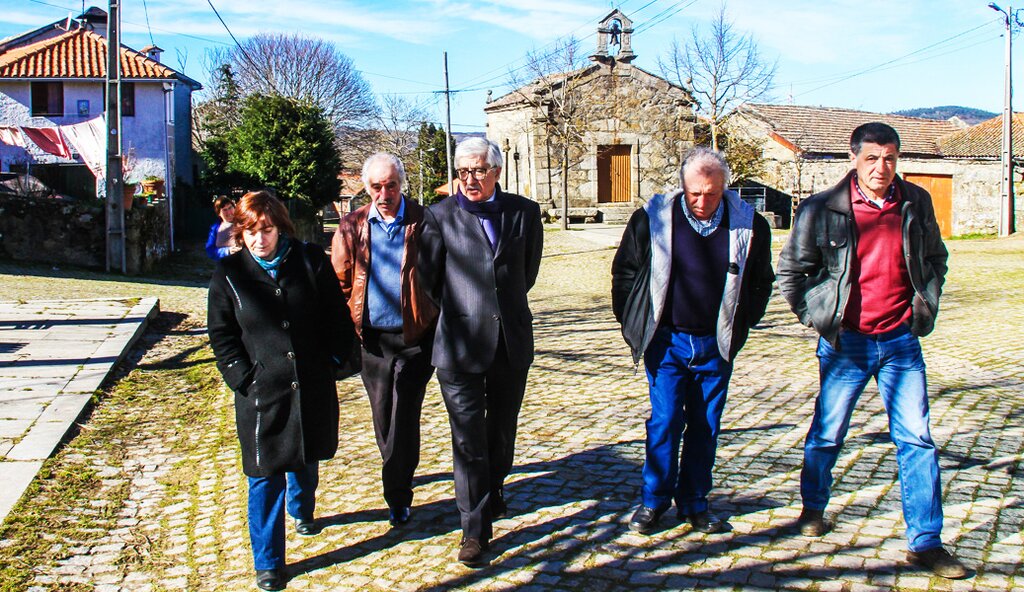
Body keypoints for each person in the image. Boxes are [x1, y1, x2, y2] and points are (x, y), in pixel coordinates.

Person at [776, 122, 967, 579]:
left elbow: (936, 258)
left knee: (917, 440)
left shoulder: (915, 202)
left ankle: (925, 542)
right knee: (828, 433)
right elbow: (791, 272)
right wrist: (817, 316)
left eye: (890, 158)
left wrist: (925, 305)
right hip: (847, 343)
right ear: (854, 158)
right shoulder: (822, 208)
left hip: (900, 341)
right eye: (872, 158)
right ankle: (813, 508)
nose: (882, 168)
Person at [611, 147, 774, 536]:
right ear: (682, 186)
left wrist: (742, 323)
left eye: (712, 194)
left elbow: (761, 281)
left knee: (706, 426)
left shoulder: (750, 225)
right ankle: (653, 502)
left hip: (715, 343)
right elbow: (625, 274)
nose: (702, 202)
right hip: (666, 343)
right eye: (694, 193)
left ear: (725, 188)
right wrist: (637, 325)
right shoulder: (651, 221)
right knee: (665, 422)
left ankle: (695, 502)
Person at [207, 190, 354, 591]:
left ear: (280, 227)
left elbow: (336, 317)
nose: (259, 239)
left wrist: (337, 361)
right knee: (264, 473)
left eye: (266, 230)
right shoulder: (229, 275)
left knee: (305, 457)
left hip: (309, 381)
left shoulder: (308, 262)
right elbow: (222, 336)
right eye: (250, 231)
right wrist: (244, 377)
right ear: (240, 232)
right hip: (261, 392)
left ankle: (302, 507)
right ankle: (268, 562)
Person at [417, 137, 543, 566]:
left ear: (496, 172)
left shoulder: (524, 213)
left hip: (510, 342)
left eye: (478, 171)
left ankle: (495, 488)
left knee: (501, 433)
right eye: (462, 171)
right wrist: (465, 312)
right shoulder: (438, 217)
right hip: (458, 346)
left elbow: (527, 273)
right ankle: (474, 530)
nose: (469, 179)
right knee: (468, 440)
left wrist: (496, 310)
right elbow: (428, 280)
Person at [330, 153, 438, 527]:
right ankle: (398, 472)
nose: (385, 193)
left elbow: (439, 274)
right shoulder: (351, 226)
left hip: (414, 338)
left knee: (405, 412)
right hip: (372, 341)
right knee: (383, 415)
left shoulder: (424, 221)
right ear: (366, 187)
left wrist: (432, 313)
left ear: (402, 183)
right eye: (376, 186)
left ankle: (398, 493)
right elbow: (340, 283)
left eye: (391, 185)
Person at [205, 196, 240, 260]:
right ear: (219, 213)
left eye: (230, 208)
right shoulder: (215, 229)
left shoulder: (243, 224)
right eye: (224, 210)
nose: (229, 212)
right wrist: (227, 251)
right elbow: (210, 250)